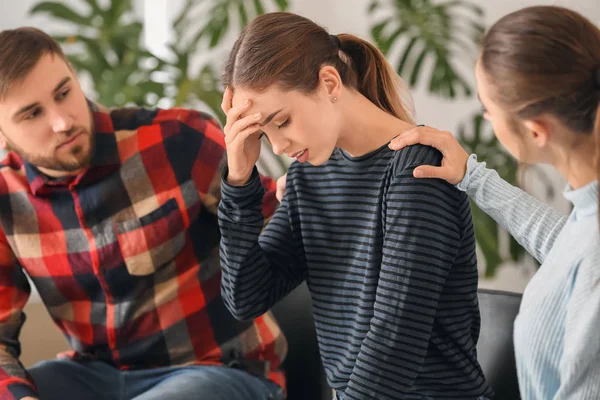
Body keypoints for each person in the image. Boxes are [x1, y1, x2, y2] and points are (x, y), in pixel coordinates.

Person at [218, 11, 493, 400]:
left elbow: (394, 342)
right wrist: (239, 180)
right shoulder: (308, 176)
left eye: (281, 122)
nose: (276, 147)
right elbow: (246, 297)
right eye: (262, 133)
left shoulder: (418, 170)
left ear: (329, 82)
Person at [0, 27, 286, 400]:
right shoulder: (7, 200)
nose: (62, 121)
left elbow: (280, 223)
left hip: (218, 369)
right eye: (33, 113)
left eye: (64, 92)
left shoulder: (176, 138)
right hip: (95, 376)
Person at [387, 5, 600, 400]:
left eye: (488, 109)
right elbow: (566, 245)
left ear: (535, 131)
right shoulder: (589, 220)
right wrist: (473, 174)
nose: (486, 117)